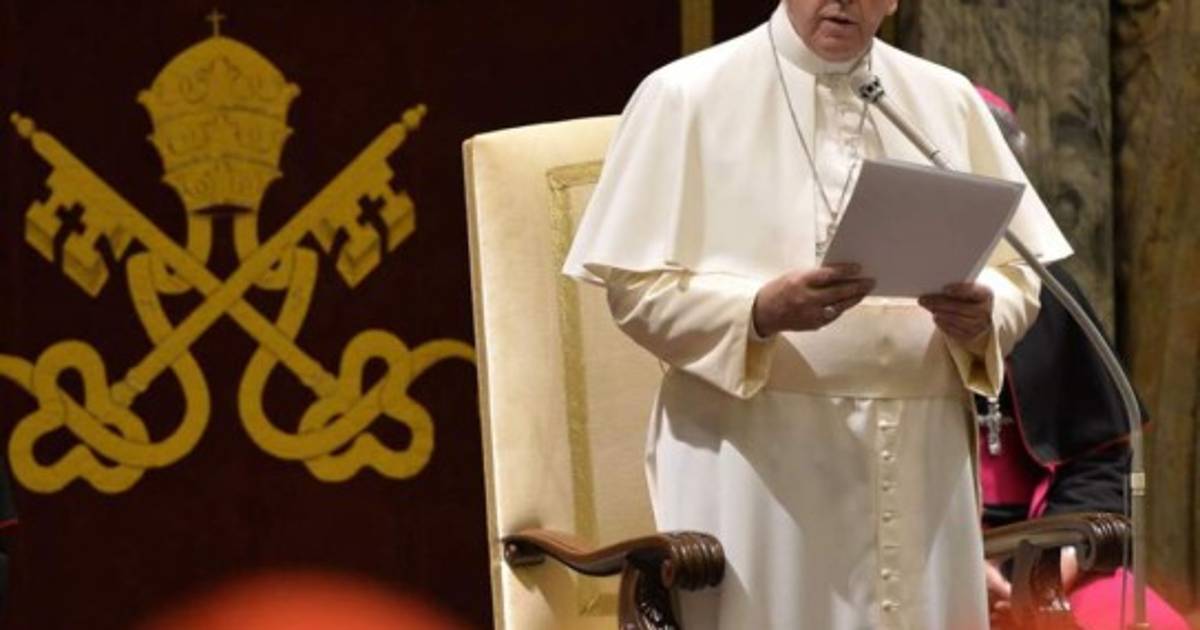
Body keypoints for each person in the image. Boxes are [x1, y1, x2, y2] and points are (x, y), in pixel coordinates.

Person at [563, 1, 1074, 628]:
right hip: (758, 458)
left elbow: (1019, 271)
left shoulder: (947, 100)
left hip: (923, 457)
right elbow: (635, 290)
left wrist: (985, 314)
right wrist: (758, 310)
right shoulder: (685, 95)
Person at [974, 87, 1189, 630]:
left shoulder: (1050, 293)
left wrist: (1048, 572)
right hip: (916, 558)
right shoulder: (877, 295)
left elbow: (1101, 461)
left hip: (1041, 549)